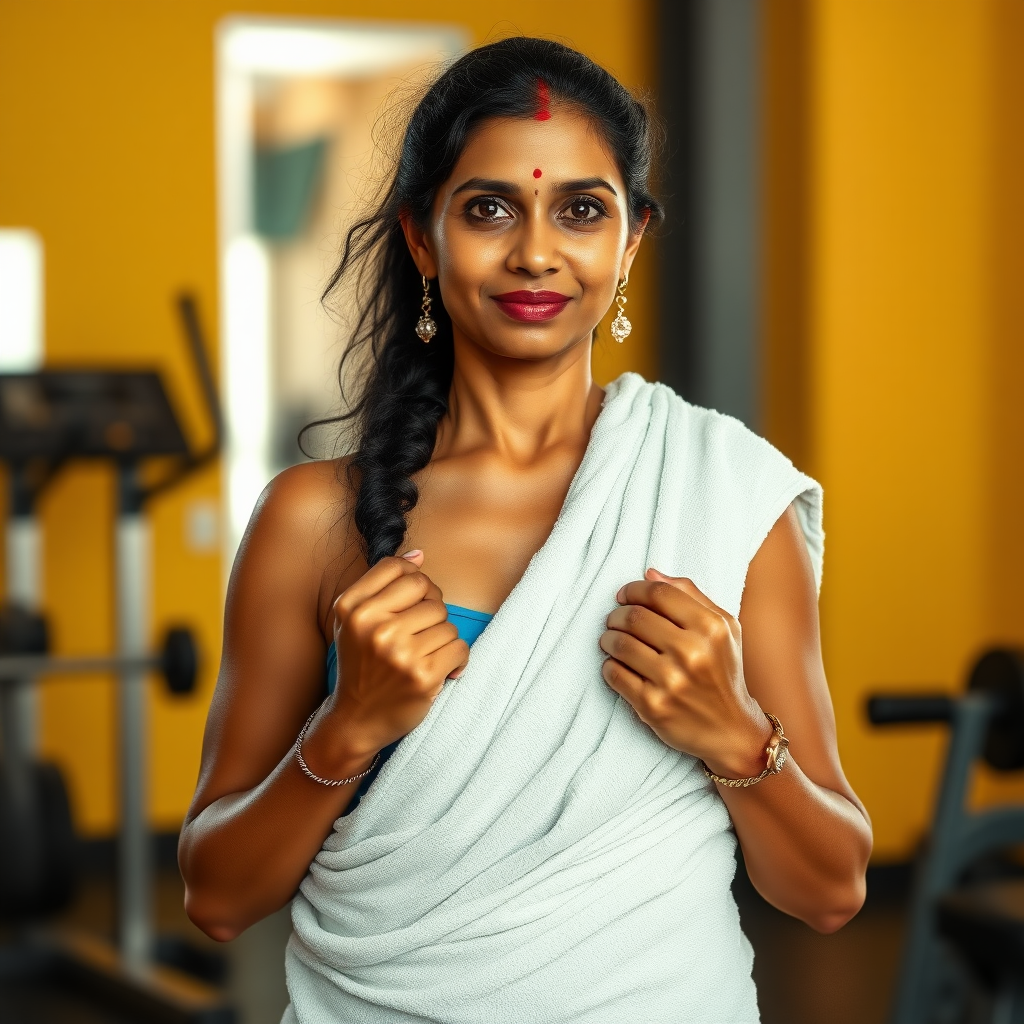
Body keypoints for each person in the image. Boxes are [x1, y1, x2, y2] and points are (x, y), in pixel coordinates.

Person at [179, 36, 872, 1024]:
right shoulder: (315, 520)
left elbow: (832, 888)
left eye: (580, 209)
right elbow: (216, 895)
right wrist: (349, 726)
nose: (535, 251)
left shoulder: (717, 491)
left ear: (629, 241)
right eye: (489, 207)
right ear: (423, 238)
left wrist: (730, 728)